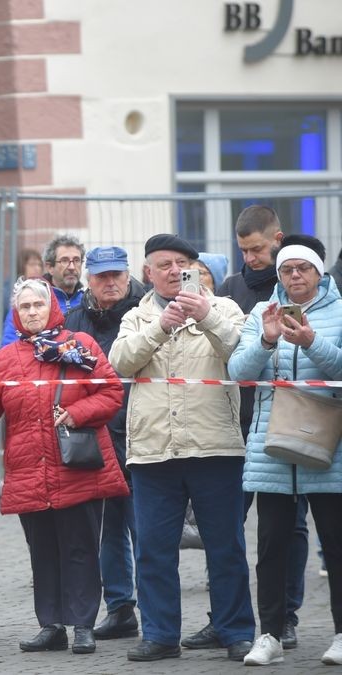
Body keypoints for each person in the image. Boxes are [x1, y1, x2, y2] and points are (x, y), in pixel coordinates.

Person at [0, 277, 127, 655]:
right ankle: (51, 625)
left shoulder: (79, 346)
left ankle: (83, 625)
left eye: (39, 304)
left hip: (77, 469)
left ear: (52, 307)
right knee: (43, 554)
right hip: (30, 474)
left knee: (81, 550)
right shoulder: (3, 361)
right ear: (16, 314)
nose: (33, 311)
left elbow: (112, 392)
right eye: (25, 307)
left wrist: (75, 413)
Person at [109, 233, 254, 662]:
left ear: (195, 268)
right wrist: (161, 325)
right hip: (155, 451)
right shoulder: (136, 317)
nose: (174, 271)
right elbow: (119, 363)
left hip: (215, 447)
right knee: (153, 549)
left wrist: (206, 316)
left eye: (182, 263)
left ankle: (234, 630)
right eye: (164, 264)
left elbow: (243, 356)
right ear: (148, 273)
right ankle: (160, 634)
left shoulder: (224, 307)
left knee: (226, 547)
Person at [187, 205, 305, 652]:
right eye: (243, 250)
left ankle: (286, 619)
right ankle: (226, 619)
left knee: (288, 528)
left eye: (257, 249)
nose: (251, 257)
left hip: (290, 422)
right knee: (225, 528)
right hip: (236, 424)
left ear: (277, 239)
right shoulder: (231, 288)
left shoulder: (296, 286)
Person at [228, 235, 342, 666]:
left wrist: (312, 341)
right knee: (271, 546)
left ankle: (341, 633)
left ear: (318, 274)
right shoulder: (261, 313)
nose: (295, 276)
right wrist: (267, 341)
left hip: (327, 444)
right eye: (287, 270)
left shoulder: (340, 311)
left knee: (336, 544)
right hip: (270, 446)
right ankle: (271, 634)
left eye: (303, 269)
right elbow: (238, 372)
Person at [63, 246, 146, 641]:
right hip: (95, 439)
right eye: (101, 276)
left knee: (146, 531)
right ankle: (120, 609)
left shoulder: (147, 311)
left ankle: (158, 612)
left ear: (128, 276)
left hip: (142, 434)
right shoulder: (74, 319)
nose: (109, 282)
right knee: (109, 531)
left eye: (116, 274)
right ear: (89, 279)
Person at [0, 235, 86, 347]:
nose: (72, 267)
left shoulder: (88, 302)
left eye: (76, 260)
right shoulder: (29, 300)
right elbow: (10, 347)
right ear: (50, 267)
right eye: (64, 261)